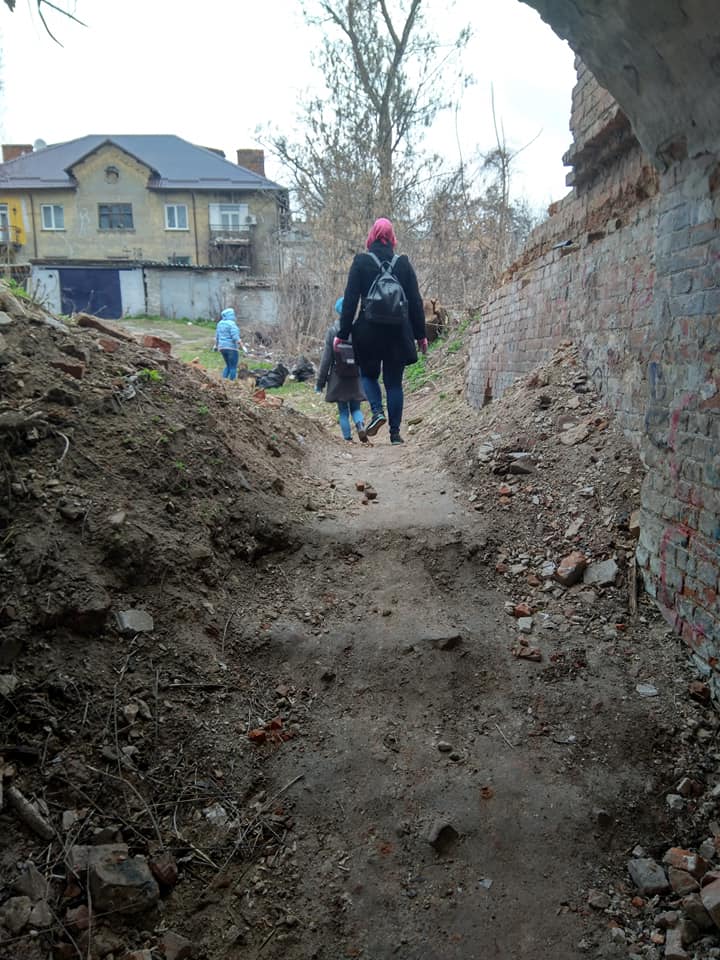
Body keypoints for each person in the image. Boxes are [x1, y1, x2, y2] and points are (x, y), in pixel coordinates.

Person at [336, 217, 426, 445]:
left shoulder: (361, 261)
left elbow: (350, 300)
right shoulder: (403, 263)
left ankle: (377, 412)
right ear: (392, 238)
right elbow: (415, 301)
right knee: (394, 383)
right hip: (398, 331)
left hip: (368, 330)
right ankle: (395, 434)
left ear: (372, 236)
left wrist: (342, 333)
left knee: (367, 374)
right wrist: (421, 335)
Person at [316, 297, 367, 443]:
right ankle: (360, 425)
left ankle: (348, 439)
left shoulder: (332, 331)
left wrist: (320, 383)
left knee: (343, 411)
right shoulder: (357, 329)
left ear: (338, 311)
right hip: (355, 374)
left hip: (338, 376)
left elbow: (326, 360)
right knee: (356, 408)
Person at [214, 307, 246, 380]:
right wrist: (243, 346)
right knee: (233, 367)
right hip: (231, 348)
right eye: (233, 314)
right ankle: (232, 383)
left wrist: (215, 346)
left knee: (228, 365)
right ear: (230, 315)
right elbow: (235, 337)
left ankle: (223, 381)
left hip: (222, 348)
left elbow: (217, 336)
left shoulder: (220, 324)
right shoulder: (232, 324)